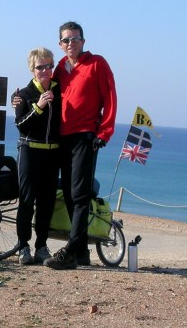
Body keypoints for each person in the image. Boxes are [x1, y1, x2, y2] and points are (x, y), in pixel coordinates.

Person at [44, 21, 117, 270]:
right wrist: (20, 99)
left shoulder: (97, 63)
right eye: (66, 40)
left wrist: (104, 132)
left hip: (86, 137)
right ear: (60, 44)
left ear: (83, 41)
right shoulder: (59, 69)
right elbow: (45, 91)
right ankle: (82, 251)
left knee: (80, 195)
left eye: (75, 39)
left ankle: (71, 250)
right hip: (62, 139)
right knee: (69, 193)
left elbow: (110, 99)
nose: (70, 43)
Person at [14, 47, 61, 265]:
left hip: (52, 155)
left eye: (48, 66)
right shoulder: (24, 95)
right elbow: (21, 125)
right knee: (26, 200)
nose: (45, 70)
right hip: (29, 151)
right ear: (32, 69)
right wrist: (39, 106)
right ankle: (23, 246)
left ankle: (41, 246)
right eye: (40, 67)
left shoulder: (60, 90)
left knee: (46, 203)